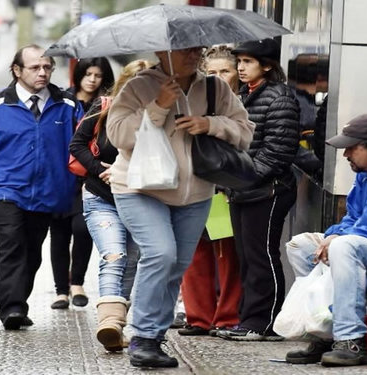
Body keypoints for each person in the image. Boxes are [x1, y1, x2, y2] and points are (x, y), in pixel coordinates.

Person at [106, 46, 254, 368]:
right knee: (161, 253)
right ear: (163, 51)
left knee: (175, 266)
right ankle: (142, 336)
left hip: (195, 193)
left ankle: (154, 338)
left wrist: (210, 124)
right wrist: (157, 107)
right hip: (139, 189)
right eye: (184, 49)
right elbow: (116, 134)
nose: (194, 54)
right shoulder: (139, 85)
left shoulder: (215, 87)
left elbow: (245, 131)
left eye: (196, 49)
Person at [0, 44, 84, 330]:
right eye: (35, 68)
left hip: (48, 192)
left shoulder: (66, 105)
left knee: (31, 251)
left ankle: (18, 304)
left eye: (47, 68)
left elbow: (80, 146)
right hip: (5, 189)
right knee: (12, 243)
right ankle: (11, 308)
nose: (43, 73)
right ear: (16, 70)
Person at [283, 113, 367, 366]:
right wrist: (335, 233)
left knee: (344, 247)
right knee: (301, 247)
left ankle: (351, 340)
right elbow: (354, 215)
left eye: (351, 148)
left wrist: (342, 238)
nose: (346, 154)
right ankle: (325, 330)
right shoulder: (366, 168)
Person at [216, 38, 301, 342]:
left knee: (262, 255)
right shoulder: (241, 95)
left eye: (248, 62)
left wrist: (244, 178)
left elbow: (278, 152)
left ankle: (264, 322)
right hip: (242, 188)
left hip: (268, 190)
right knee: (246, 256)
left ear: (267, 65)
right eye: (239, 61)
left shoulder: (280, 98)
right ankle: (247, 317)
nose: (240, 67)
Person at [69, 59, 152, 351]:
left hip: (141, 196)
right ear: (124, 84)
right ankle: (110, 322)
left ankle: (120, 323)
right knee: (114, 254)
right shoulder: (105, 106)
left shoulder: (160, 114)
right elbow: (76, 144)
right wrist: (99, 169)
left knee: (132, 258)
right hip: (101, 196)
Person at [178, 45, 243, 337]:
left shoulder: (240, 104)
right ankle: (198, 317)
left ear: (236, 73)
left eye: (225, 71)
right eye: (212, 71)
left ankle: (226, 316)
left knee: (225, 255)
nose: (218, 76)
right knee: (193, 253)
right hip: (192, 183)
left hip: (225, 187)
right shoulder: (195, 98)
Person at [50, 57, 115, 310]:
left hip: (89, 177)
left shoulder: (107, 104)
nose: (92, 79)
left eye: (98, 75)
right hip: (60, 174)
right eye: (87, 74)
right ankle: (60, 290)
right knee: (58, 231)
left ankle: (77, 282)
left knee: (83, 228)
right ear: (78, 75)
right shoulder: (62, 100)